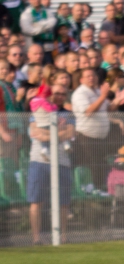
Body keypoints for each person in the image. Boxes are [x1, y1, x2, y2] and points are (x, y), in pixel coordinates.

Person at [26, 85, 74, 244]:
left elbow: (71, 133)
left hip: (62, 161)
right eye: (56, 93)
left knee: (63, 202)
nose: (59, 96)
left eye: (63, 94)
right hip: (40, 160)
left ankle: (63, 236)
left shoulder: (68, 114)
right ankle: (36, 238)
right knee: (36, 200)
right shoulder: (39, 110)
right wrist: (59, 133)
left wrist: (49, 134)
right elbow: (35, 132)